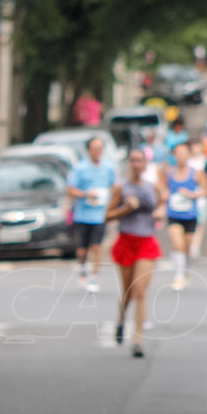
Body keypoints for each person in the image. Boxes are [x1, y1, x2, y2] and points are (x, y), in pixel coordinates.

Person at [107, 149, 165, 358]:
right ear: (129, 164)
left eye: (140, 160)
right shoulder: (120, 188)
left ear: (145, 163)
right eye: (133, 161)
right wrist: (125, 209)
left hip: (146, 241)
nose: (136, 164)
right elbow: (107, 215)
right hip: (126, 239)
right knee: (128, 291)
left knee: (140, 291)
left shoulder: (152, 187)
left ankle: (138, 340)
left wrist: (160, 212)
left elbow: (162, 205)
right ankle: (121, 319)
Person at [67, 136, 116, 292]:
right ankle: (83, 268)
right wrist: (86, 194)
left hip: (99, 215)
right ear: (88, 150)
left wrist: (111, 204)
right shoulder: (80, 168)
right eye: (94, 148)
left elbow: (114, 187)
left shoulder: (108, 168)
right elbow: (70, 189)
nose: (97, 151)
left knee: (97, 247)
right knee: (82, 250)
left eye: (100, 148)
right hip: (82, 215)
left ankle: (94, 277)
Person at [161, 142, 207, 290]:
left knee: (187, 246)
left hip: (190, 214)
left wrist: (192, 195)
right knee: (177, 244)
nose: (180, 156)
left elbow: (205, 191)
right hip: (173, 213)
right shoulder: (169, 173)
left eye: (183, 153)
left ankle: (185, 270)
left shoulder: (196, 173)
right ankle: (178, 276)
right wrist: (163, 196)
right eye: (178, 153)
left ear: (188, 155)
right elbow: (163, 190)